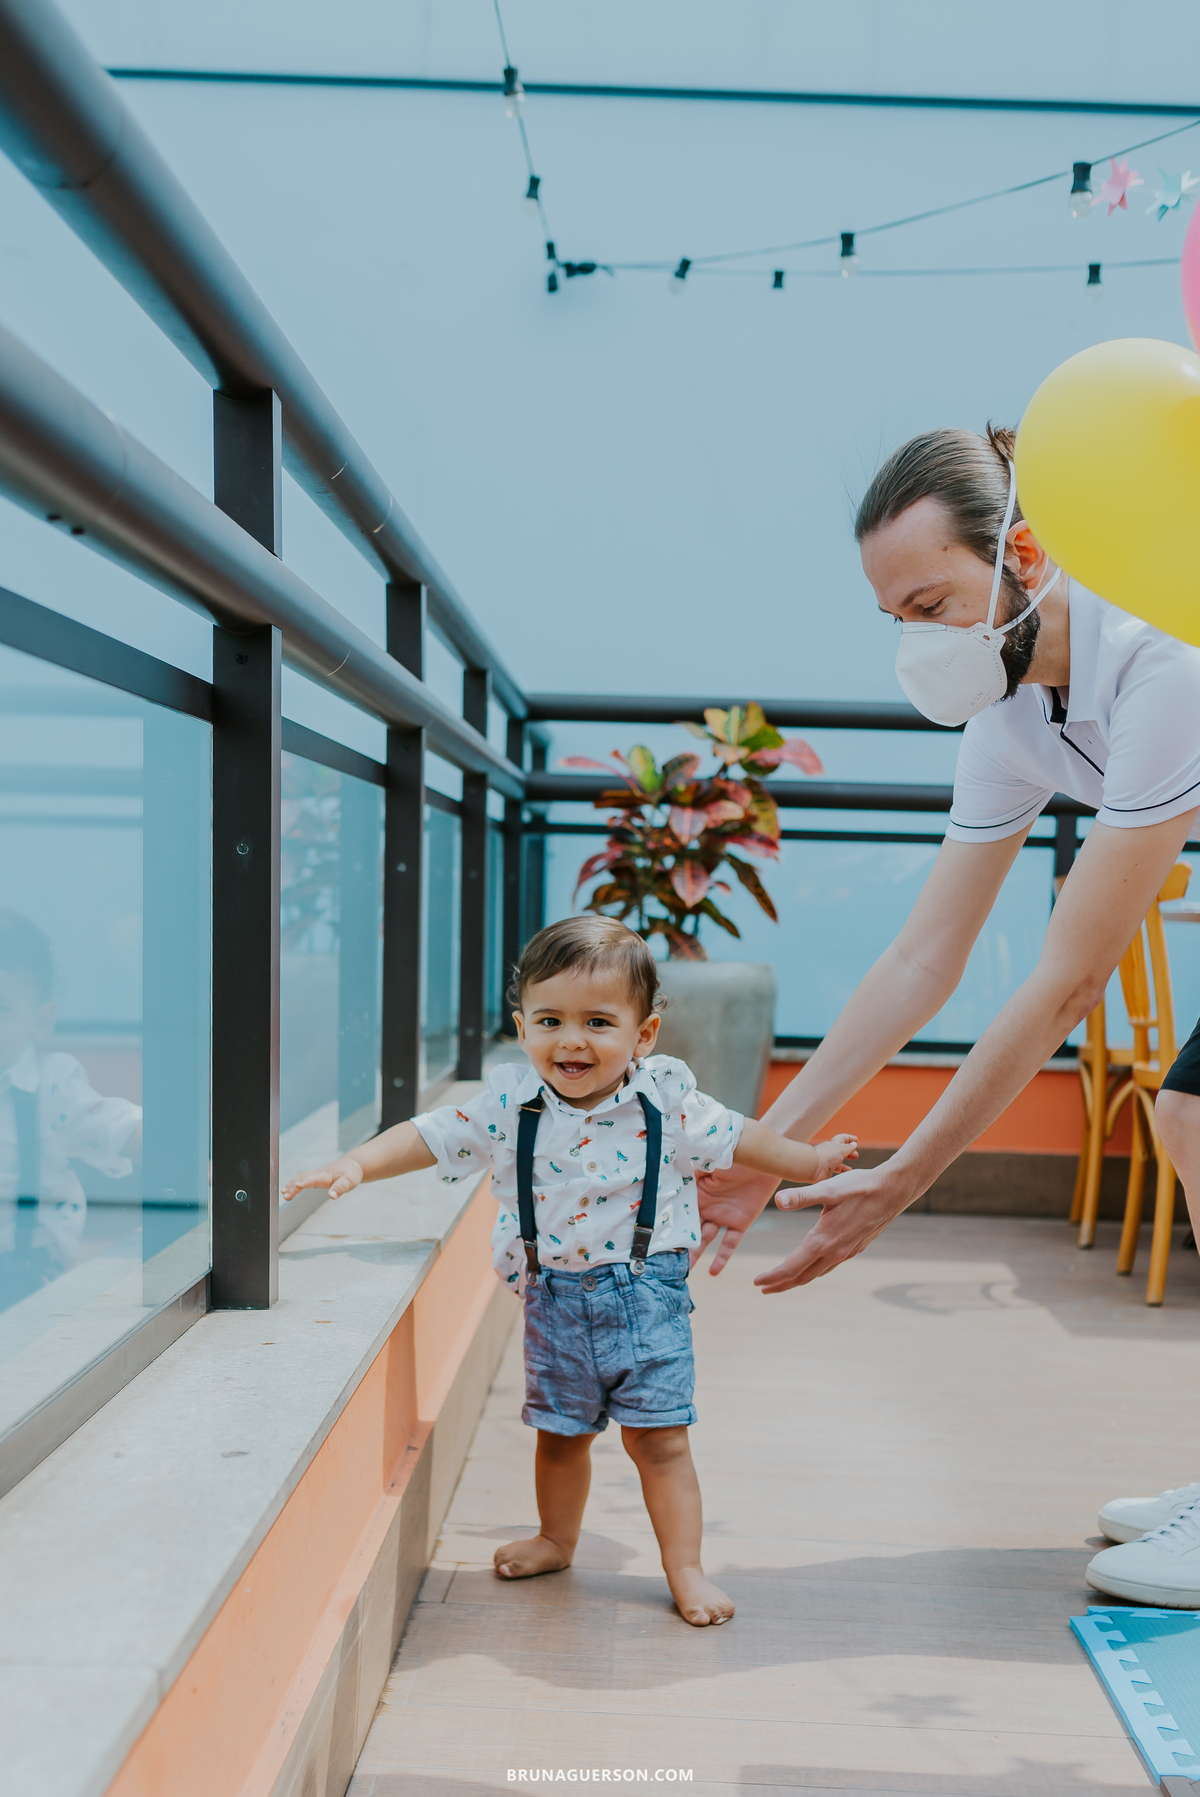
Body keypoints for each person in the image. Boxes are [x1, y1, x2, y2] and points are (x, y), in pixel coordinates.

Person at [693, 424, 1200, 1605]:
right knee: (1191, 1117)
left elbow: (1071, 976)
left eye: (934, 601)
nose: (921, 639)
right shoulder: (1016, 715)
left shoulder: (1162, 661)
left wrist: (904, 1178)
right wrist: (769, 1148)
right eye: (899, 619)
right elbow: (924, 957)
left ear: (1023, 551)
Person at [282, 916, 857, 1627]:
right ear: (522, 1027)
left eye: (597, 1021)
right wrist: (355, 1163)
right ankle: (557, 1537)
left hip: (645, 1296)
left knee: (661, 1438)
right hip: (551, 1298)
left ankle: (686, 1568)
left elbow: (745, 1138)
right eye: (550, 1019)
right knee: (560, 1432)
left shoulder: (666, 1101)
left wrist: (812, 1160)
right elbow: (431, 1135)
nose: (571, 1040)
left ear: (642, 1035)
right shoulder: (508, 1104)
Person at [0, 907, 142, 1310]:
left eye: (2, 1007)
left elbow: (119, 1128)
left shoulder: (51, 1088)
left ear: (42, 1021)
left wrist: (201, 1161)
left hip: (24, 1282)